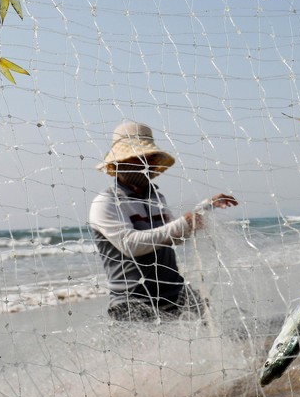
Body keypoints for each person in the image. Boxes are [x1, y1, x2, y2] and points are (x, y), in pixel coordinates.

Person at [89, 120, 238, 321]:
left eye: (149, 158)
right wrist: (184, 224)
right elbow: (130, 244)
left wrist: (205, 208)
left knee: (207, 330)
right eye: (137, 158)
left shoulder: (155, 197)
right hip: (133, 303)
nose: (145, 164)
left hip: (174, 293)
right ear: (118, 163)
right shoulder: (106, 202)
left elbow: (170, 237)